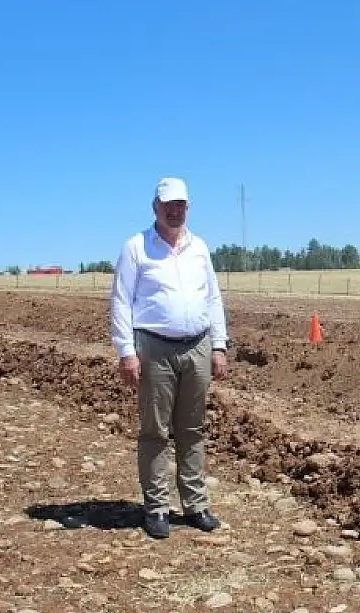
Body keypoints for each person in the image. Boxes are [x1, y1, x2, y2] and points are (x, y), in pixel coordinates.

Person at [110, 176, 229, 539]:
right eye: (168, 205)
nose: (174, 211)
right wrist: (126, 352)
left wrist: (219, 345)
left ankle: (195, 504)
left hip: (197, 345)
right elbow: (120, 301)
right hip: (154, 348)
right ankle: (157, 507)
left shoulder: (199, 247)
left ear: (188, 207)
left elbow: (213, 297)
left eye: (181, 205)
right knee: (155, 432)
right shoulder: (136, 247)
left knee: (193, 430)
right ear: (155, 208)